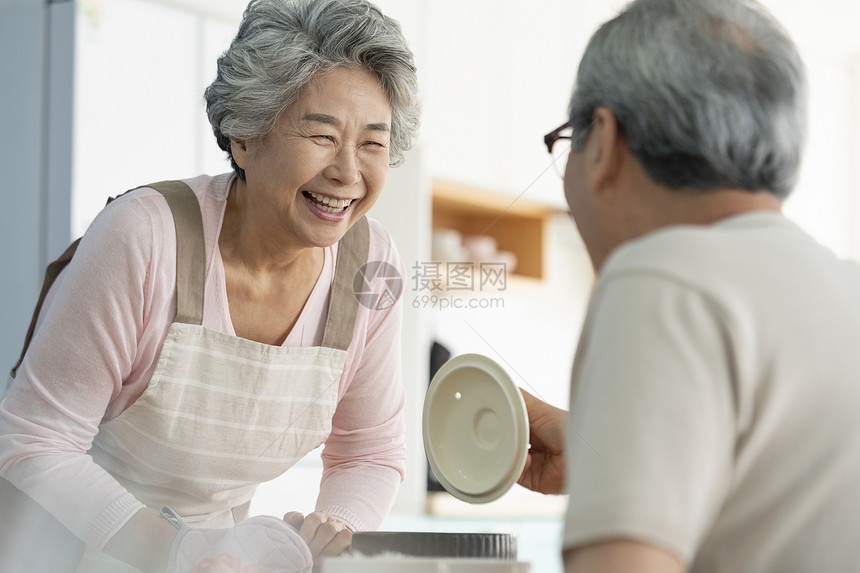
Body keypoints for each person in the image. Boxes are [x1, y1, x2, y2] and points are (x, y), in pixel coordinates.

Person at [0, 0, 420, 571]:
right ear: (244, 136)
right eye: (322, 135)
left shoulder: (371, 265)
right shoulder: (145, 237)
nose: (349, 173)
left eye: (372, 143)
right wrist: (175, 549)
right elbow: (36, 440)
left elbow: (368, 450)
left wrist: (330, 540)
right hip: (57, 544)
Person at [518, 0, 860, 572]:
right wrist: (601, 450)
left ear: (602, 140)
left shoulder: (658, 278)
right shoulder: (846, 287)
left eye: (568, 142)